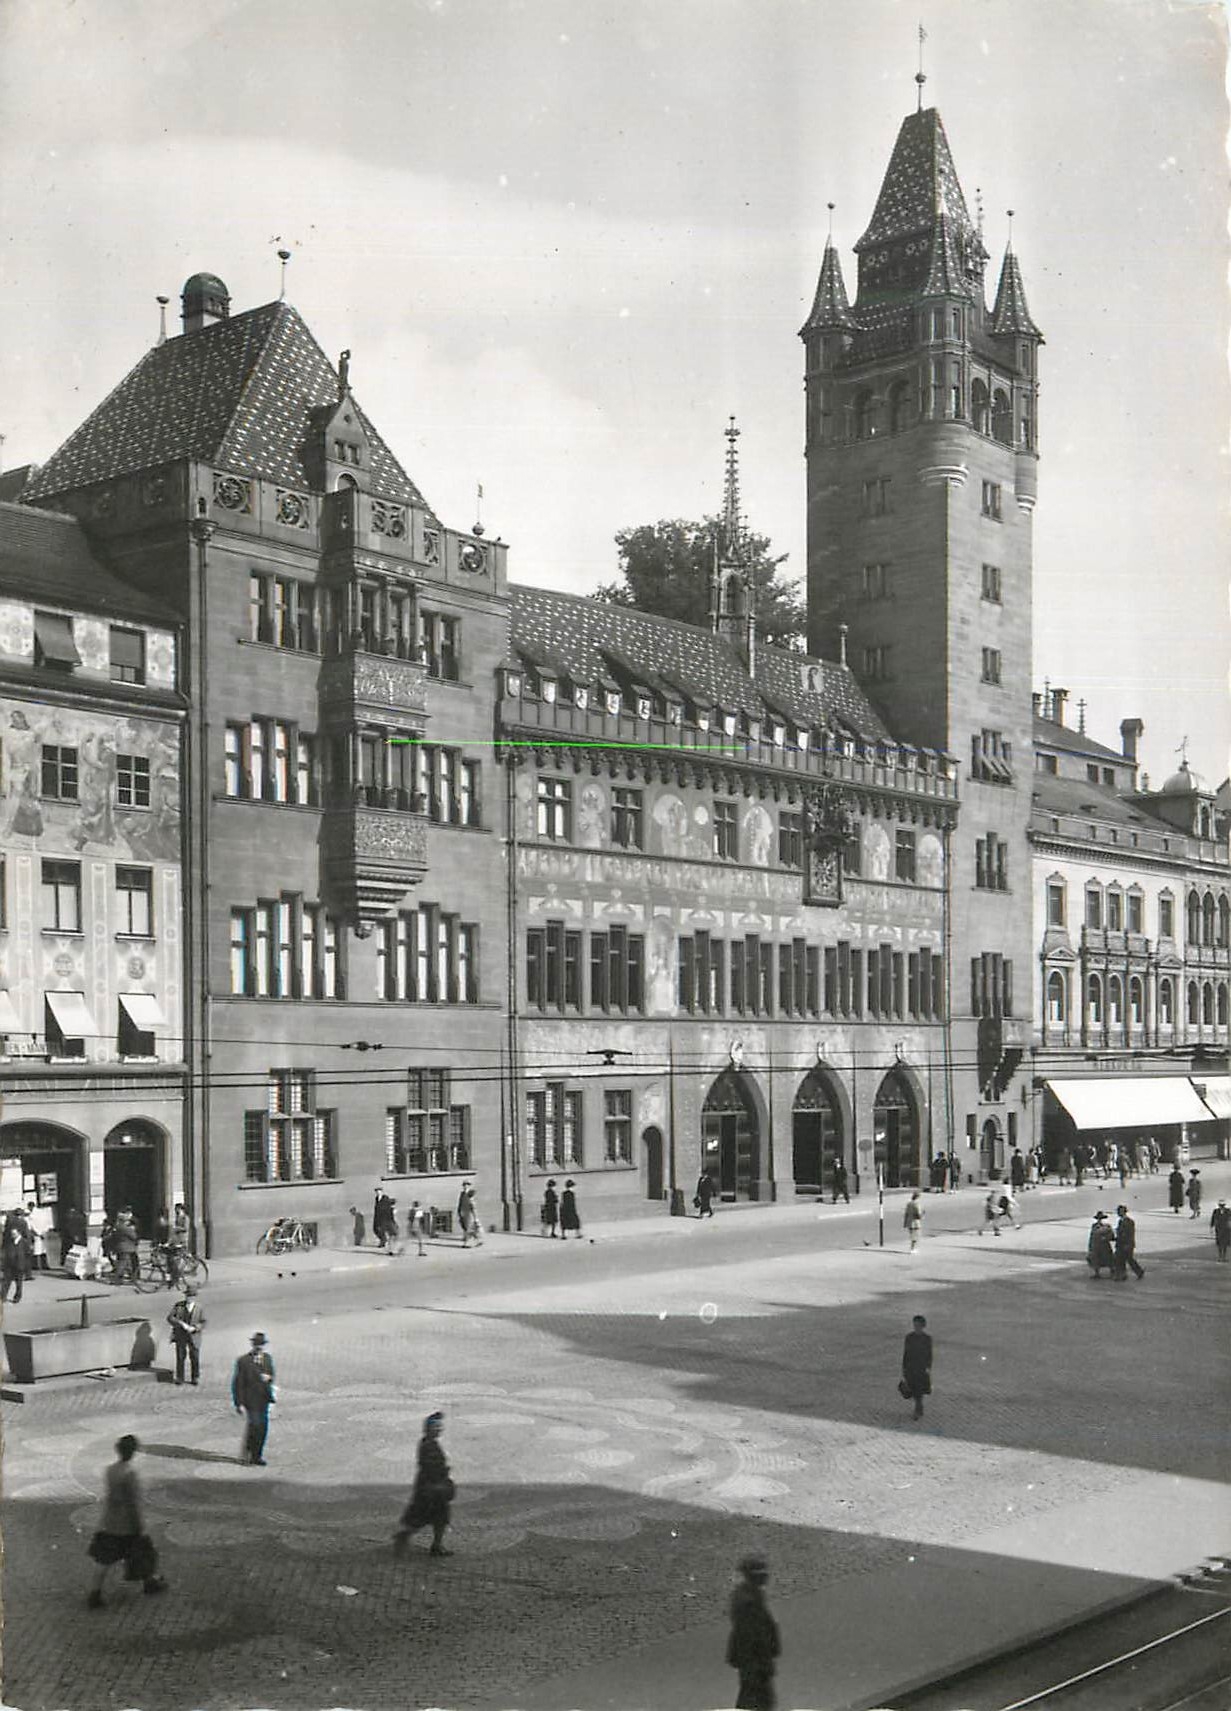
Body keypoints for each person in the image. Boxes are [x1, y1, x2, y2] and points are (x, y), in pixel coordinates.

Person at [86, 1435, 166, 1606]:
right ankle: (149, 1583)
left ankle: (95, 1592)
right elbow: (133, 1502)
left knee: (104, 1559)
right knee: (144, 1552)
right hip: (127, 1525)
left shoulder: (110, 1470)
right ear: (132, 1452)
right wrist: (140, 1525)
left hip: (110, 1521)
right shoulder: (130, 1474)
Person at [393, 1411, 455, 1558]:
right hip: (431, 1487)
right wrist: (442, 1476)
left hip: (434, 1485)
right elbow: (429, 1466)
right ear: (428, 1429)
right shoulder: (428, 1445)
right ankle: (404, 1536)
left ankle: (436, 1545)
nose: (439, 1429)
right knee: (424, 1516)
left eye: (440, 1426)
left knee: (439, 1516)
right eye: (436, 1427)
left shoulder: (430, 1443)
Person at [726, 1554, 780, 1711]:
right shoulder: (748, 1601)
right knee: (757, 1700)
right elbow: (752, 1635)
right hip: (755, 1662)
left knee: (754, 1699)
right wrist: (762, 1661)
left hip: (754, 1662)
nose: (767, 1577)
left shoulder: (750, 1595)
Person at [231, 1331, 276, 1466]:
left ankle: (257, 1455)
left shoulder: (267, 1358)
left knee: (263, 1428)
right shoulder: (243, 1361)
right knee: (255, 1425)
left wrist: (269, 1378)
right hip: (250, 1400)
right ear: (253, 1345)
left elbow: (272, 1374)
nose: (259, 1347)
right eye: (257, 1344)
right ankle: (250, 1454)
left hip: (264, 1398)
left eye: (261, 1345)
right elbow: (237, 1383)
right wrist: (238, 1403)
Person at [167, 1284, 206, 1385]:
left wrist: (195, 1327)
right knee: (180, 1356)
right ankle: (180, 1377)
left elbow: (204, 1322)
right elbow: (170, 1318)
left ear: (195, 1297)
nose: (189, 1298)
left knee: (194, 1356)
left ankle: (195, 1377)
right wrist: (180, 1323)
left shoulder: (199, 1308)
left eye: (192, 1296)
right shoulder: (179, 1306)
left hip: (194, 1335)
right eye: (188, 1296)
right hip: (181, 1334)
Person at [901, 1313, 933, 1421]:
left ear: (923, 1326)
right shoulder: (909, 1337)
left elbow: (929, 1354)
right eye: (915, 1325)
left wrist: (928, 1367)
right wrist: (904, 1368)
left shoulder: (927, 1339)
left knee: (919, 1390)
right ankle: (919, 1407)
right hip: (910, 1367)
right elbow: (906, 1353)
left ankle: (917, 1410)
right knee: (912, 1389)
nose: (916, 1327)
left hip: (921, 1368)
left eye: (918, 1325)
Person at [1, 1210, 31, 1302]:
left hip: (13, 1256)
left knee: (7, 1280)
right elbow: (27, 1237)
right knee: (17, 1282)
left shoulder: (10, 1222)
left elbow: (5, 1235)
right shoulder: (23, 1222)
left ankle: (3, 1296)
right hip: (18, 1258)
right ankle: (16, 1297)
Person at [1112, 1205, 1145, 1281]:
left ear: (1123, 1212)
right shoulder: (1121, 1221)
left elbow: (1130, 1234)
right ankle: (1123, 1275)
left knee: (1129, 1259)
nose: (1118, 1213)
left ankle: (1138, 1272)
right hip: (1121, 1244)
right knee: (1120, 1259)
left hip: (1127, 1244)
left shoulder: (1129, 1222)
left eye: (1119, 1211)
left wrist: (1128, 1244)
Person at [112, 1207, 139, 1282]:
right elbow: (134, 1236)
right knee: (123, 1263)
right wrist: (133, 1230)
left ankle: (131, 1276)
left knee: (125, 1262)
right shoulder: (126, 1228)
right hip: (128, 1248)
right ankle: (117, 1278)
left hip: (120, 1246)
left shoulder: (117, 1227)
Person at [1087, 1211, 1115, 1278]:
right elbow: (1092, 1236)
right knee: (1096, 1259)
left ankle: (1112, 1270)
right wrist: (1090, 1245)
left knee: (1108, 1258)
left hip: (1104, 1245)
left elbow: (1111, 1235)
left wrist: (1105, 1238)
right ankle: (1097, 1273)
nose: (1100, 1220)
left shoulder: (1107, 1226)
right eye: (1099, 1218)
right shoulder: (1094, 1226)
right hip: (1096, 1245)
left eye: (1101, 1218)